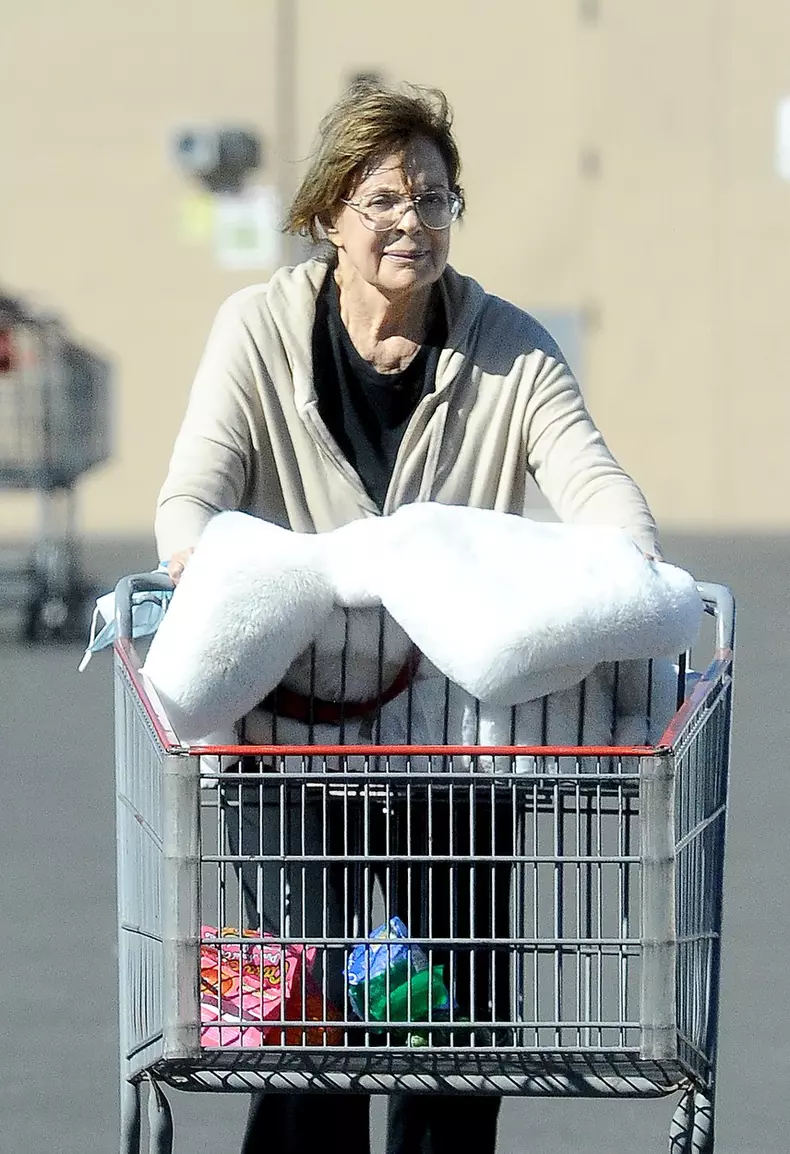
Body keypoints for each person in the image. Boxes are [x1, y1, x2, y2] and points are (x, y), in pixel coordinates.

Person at [156, 80, 661, 1154]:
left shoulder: (509, 349)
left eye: (434, 198)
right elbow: (190, 497)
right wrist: (206, 562)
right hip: (291, 741)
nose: (412, 222)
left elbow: (605, 501)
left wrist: (626, 575)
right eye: (383, 198)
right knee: (314, 1016)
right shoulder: (258, 331)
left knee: (451, 1025)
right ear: (326, 214)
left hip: (450, 745)